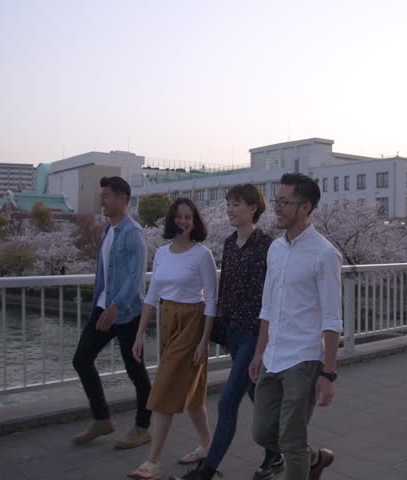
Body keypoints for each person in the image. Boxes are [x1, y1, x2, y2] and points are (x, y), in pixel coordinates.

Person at [173, 184, 283, 480]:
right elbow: (226, 290)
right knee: (255, 393)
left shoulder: (268, 246)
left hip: (253, 334)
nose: (230, 209)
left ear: (253, 208)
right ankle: (277, 451)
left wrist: (262, 343)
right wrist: (221, 331)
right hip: (233, 332)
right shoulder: (230, 243)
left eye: (236, 204)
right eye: (228, 203)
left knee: (227, 402)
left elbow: (272, 295)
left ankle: (207, 471)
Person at [248, 173, 342, 480]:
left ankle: (301, 459)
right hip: (273, 355)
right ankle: (313, 457)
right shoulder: (275, 249)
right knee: (262, 433)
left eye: (285, 202)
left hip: (304, 358)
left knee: (290, 439)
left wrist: (328, 374)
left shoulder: (325, 254)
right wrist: (259, 352)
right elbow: (268, 306)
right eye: (277, 200)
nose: (277, 208)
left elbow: (332, 318)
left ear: (305, 207)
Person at [129, 198, 218, 480]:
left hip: (192, 321)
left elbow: (212, 300)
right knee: (194, 395)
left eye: (188, 217)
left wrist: (204, 341)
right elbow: (152, 296)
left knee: (164, 388)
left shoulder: (202, 255)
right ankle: (208, 445)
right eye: (178, 216)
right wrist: (139, 334)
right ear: (171, 220)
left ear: (195, 222)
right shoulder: (162, 253)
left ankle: (153, 461)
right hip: (168, 319)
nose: (183, 221)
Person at [71, 176, 153, 449]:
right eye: (102, 196)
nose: (102, 201)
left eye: (106, 196)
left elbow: (135, 276)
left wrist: (115, 305)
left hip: (127, 311)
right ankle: (102, 419)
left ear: (122, 198)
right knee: (82, 360)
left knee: (135, 371)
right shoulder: (108, 231)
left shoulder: (133, 232)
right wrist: (102, 304)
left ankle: (143, 427)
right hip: (104, 307)